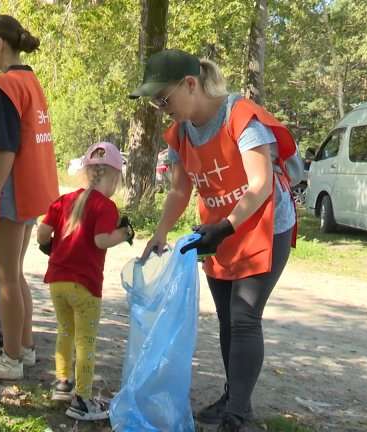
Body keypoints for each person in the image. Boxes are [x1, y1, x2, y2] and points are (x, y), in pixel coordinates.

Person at [132, 49, 298, 432]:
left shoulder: (241, 117)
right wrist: (159, 233)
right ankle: (232, 396)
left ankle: (239, 414)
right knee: (226, 320)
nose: (160, 108)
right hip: (219, 231)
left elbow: (260, 186)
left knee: (244, 319)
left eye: (163, 99)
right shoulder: (182, 133)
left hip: (265, 226)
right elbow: (179, 191)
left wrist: (226, 225)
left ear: (190, 84)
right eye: (155, 102)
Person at [0, 14, 59, 380]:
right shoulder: (31, 82)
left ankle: (9, 360)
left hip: (9, 192)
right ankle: (24, 348)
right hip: (31, 190)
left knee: (4, 275)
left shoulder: (3, 87)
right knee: (15, 273)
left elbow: (6, 149)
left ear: (0, 44)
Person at [37, 142, 134, 421]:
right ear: (115, 177)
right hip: (85, 285)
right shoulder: (106, 207)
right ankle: (83, 399)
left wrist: (50, 247)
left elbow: (43, 232)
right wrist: (124, 233)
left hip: (57, 280)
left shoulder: (64, 200)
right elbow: (101, 240)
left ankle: (62, 384)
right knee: (85, 340)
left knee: (65, 332)